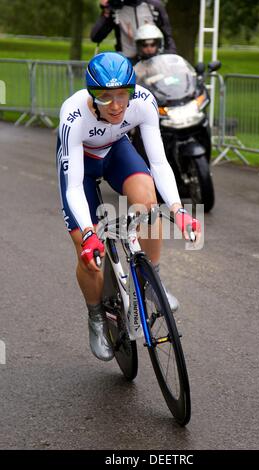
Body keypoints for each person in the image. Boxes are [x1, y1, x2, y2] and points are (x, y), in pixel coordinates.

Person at [57, 52, 201, 362]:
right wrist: (88, 234)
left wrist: (177, 209)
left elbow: (158, 161)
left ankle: (152, 284)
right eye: (105, 97)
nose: (116, 104)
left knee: (150, 206)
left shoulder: (144, 101)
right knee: (88, 252)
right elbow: (71, 186)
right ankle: (96, 318)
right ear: (91, 95)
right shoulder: (72, 114)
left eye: (123, 94)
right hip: (80, 164)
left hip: (115, 151)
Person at [90, 0, 176, 63]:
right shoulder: (115, 10)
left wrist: (170, 59)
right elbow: (96, 37)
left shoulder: (154, 6)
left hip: (154, 61)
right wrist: (106, 11)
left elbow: (167, 36)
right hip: (127, 63)